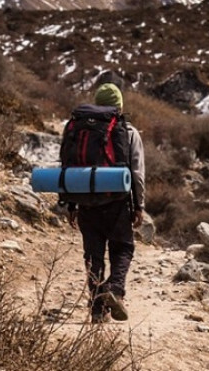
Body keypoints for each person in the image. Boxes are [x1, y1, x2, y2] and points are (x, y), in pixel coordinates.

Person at [60, 81, 146, 324]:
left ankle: (98, 311)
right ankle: (115, 289)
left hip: (85, 201)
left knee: (93, 255)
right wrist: (139, 206)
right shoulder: (128, 131)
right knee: (123, 248)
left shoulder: (78, 128)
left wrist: (72, 205)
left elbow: (69, 164)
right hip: (116, 202)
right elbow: (137, 173)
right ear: (119, 106)